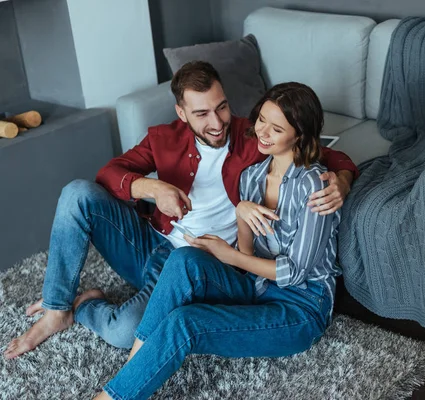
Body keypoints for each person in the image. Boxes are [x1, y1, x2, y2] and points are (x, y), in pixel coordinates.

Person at [3, 62, 358, 360]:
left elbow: (324, 154)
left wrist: (340, 180)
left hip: (194, 263)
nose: (217, 122)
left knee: (126, 332)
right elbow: (108, 175)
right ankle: (55, 310)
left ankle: (82, 308)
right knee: (77, 194)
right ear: (181, 112)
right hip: (149, 243)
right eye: (201, 113)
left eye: (221, 107)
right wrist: (153, 188)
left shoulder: (255, 137)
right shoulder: (163, 137)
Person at [94, 81, 344, 400]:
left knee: (186, 323)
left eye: (276, 128)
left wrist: (226, 256)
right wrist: (240, 211)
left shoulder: (314, 186)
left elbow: (294, 274)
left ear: (299, 135)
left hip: (301, 306)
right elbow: (247, 249)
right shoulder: (253, 175)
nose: (263, 133)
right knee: (184, 259)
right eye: (262, 120)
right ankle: (133, 368)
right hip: (255, 286)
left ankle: (111, 398)